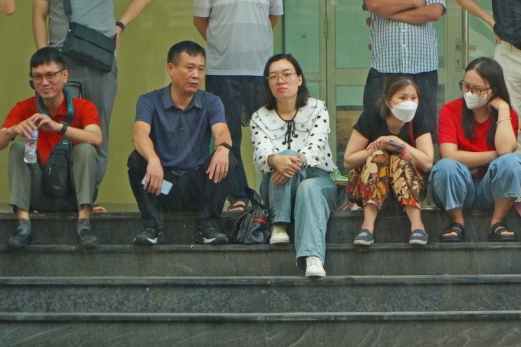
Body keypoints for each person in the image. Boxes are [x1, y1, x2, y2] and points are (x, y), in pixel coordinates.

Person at [33, 0, 150, 187]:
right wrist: (44, 61)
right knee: (60, 127)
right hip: (63, 65)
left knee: (98, 131)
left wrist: (120, 25)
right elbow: (39, 15)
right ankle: (60, 193)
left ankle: (89, 194)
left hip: (102, 64)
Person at [194, 0, 284, 212]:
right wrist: (223, 44)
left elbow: (273, 17)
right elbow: (200, 20)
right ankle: (239, 197)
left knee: (268, 132)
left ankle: (275, 196)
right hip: (222, 70)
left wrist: (252, 43)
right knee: (227, 135)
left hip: (261, 71)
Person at [127, 41, 239, 246]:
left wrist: (223, 148)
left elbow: (222, 132)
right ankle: (152, 227)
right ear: (171, 68)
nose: (196, 75)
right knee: (136, 160)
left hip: (197, 189)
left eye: (201, 69)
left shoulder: (211, 101)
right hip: (163, 187)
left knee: (227, 159)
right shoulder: (149, 101)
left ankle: (208, 227)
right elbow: (139, 134)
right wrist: (153, 160)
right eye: (189, 68)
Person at [0, 48, 102, 250]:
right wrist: (12, 130)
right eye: (37, 77)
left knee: (86, 149)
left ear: (64, 75)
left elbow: (96, 138)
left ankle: (84, 222)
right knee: (17, 148)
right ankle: (23, 224)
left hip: (72, 194)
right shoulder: (24, 107)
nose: (44, 82)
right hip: (39, 193)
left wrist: (59, 127)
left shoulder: (84, 106)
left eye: (50, 75)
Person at [250, 53, 338, 278]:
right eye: (273, 76)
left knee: (307, 187)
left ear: (299, 79)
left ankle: (312, 257)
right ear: (268, 83)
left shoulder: (318, 109)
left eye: (287, 74)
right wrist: (274, 160)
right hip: (276, 187)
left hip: (318, 178)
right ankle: (279, 223)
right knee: (285, 157)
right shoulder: (259, 117)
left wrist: (291, 161)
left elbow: (316, 148)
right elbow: (261, 154)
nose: (280, 80)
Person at [362, 0, 445, 137]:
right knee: (376, 131)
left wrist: (389, 9)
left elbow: (435, 12)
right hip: (384, 69)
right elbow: (374, 4)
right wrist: (415, 1)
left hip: (423, 69)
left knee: (423, 132)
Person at [430, 57, 521, 242]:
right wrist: (495, 156)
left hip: (491, 190)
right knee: (446, 166)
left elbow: (506, 150)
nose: (469, 93)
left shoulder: (507, 114)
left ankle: (497, 222)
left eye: (477, 89)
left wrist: (503, 108)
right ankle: (456, 222)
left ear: (494, 90)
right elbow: (449, 154)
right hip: (456, 188)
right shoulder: (449, 110)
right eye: (465, 86)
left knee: (514, 162)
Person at [344, 75, 434, 247]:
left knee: (400, 159)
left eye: (413, 98)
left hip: (409, 186)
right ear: (387, 100)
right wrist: (376, 147)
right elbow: (348, 161)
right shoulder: (370, 117)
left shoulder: (419, 118)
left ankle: (417, 226)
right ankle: (367, 227)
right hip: (370, 188)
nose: (409, 103)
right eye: (402, 98)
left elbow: (427, 162)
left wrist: (401, 144)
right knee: (379, 156)